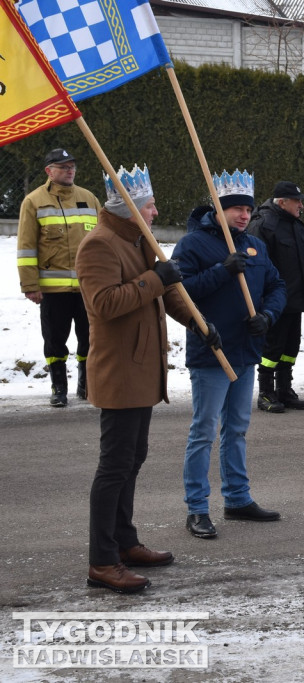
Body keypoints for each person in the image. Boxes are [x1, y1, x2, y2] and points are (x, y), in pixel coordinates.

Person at [77, 165, 194, 593]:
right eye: (149, 205)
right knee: (114, 467)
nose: (155, 211)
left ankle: (125, 543)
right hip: (120, 372)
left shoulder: (139, 239)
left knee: (132, 459)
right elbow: (105, 303)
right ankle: (102, 561)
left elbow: (168, 291)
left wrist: (198, 323)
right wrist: (154, 279)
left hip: (143, 369)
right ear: (128, 208)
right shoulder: (99, 245)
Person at [172, 169, 286, 539]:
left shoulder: (254, 245)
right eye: (236, 208)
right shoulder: (192, 245)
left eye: (247, 209)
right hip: (212, 352)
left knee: (236, 429)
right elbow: (181, 294)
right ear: (218, 210)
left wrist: (268, 315)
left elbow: (277, 285)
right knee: (204, 431)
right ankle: (197, 508)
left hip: (245, 351)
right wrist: (222, 271)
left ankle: (237, 498)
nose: (243, 215)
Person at [17, 148, 102, 407]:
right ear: (49, 171)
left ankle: (86, 384)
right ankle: (59, 388)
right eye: (63, 166)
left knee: (90, 338)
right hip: (53, 290)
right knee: (55, 341)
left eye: (72, 166)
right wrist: (30, 285)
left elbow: (103, 241)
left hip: (88, 288)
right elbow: (26, 248)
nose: (69, 170)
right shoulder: (34, 201)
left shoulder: (89, 198)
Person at [247, 181, 304, 413]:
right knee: (272, 349)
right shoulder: (263, 224)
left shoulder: (295, 224)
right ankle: (266, 392)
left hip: (296, 298)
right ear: (283, 202)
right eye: (297, 202)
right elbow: (256, 266)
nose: (301, 206)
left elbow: (302, 259)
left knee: (290, 347)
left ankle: (285, 389)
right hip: (274, 302)